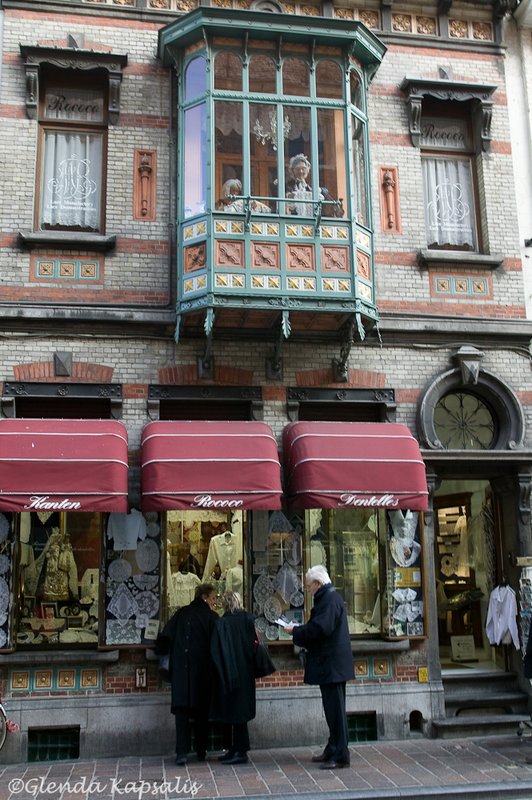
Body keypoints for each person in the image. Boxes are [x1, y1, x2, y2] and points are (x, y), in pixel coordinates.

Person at [285, 565, 354, 770]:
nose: (308, 590)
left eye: (309, 586)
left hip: (332, 665)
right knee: (332, 710)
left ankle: (340, 754)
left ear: (318, 583)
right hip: (331, 664)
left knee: (335, 711)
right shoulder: (329, 599)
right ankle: (333, 748)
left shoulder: (329, 600)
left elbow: (321, 628)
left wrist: (297, 631)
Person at [156, 583, 218, 766]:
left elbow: (165, 637)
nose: (215, 602)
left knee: (182, 715)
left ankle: (181, 752)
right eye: (213, 598)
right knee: (202, 713)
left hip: (181, 673)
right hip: (202, 673)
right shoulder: (212, 617)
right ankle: (201, 750)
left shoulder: (182, 613)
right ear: (204, 597)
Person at [210, 591, 256, 765]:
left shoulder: (222, 623)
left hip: (228, 672)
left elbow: (215, 651)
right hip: (246, 671)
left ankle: (237, 750)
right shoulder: (248, 620)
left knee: (231, 712)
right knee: (240, 713)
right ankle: (237, 749)